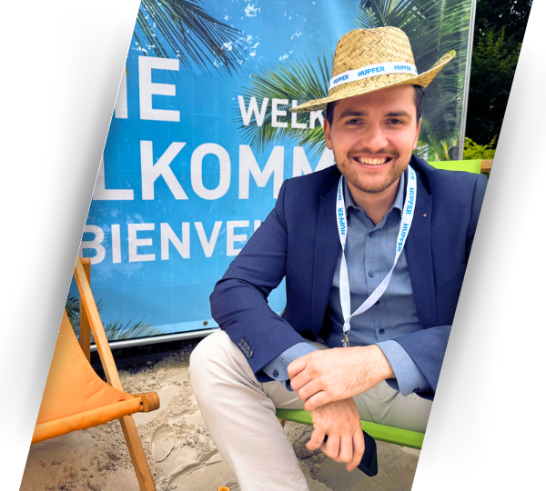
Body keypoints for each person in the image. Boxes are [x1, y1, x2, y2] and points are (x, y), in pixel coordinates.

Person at [189, 26, 487, 490]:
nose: (374, 141)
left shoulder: (469, 198)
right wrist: (315, 376)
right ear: (328, 132)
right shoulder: (300, 198)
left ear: (416, 129)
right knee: (213, 358)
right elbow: (234, 290)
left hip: (432, 388)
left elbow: (506, 324)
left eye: (394, 120)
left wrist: (374, 362)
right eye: (354, 121)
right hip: (324, 367)